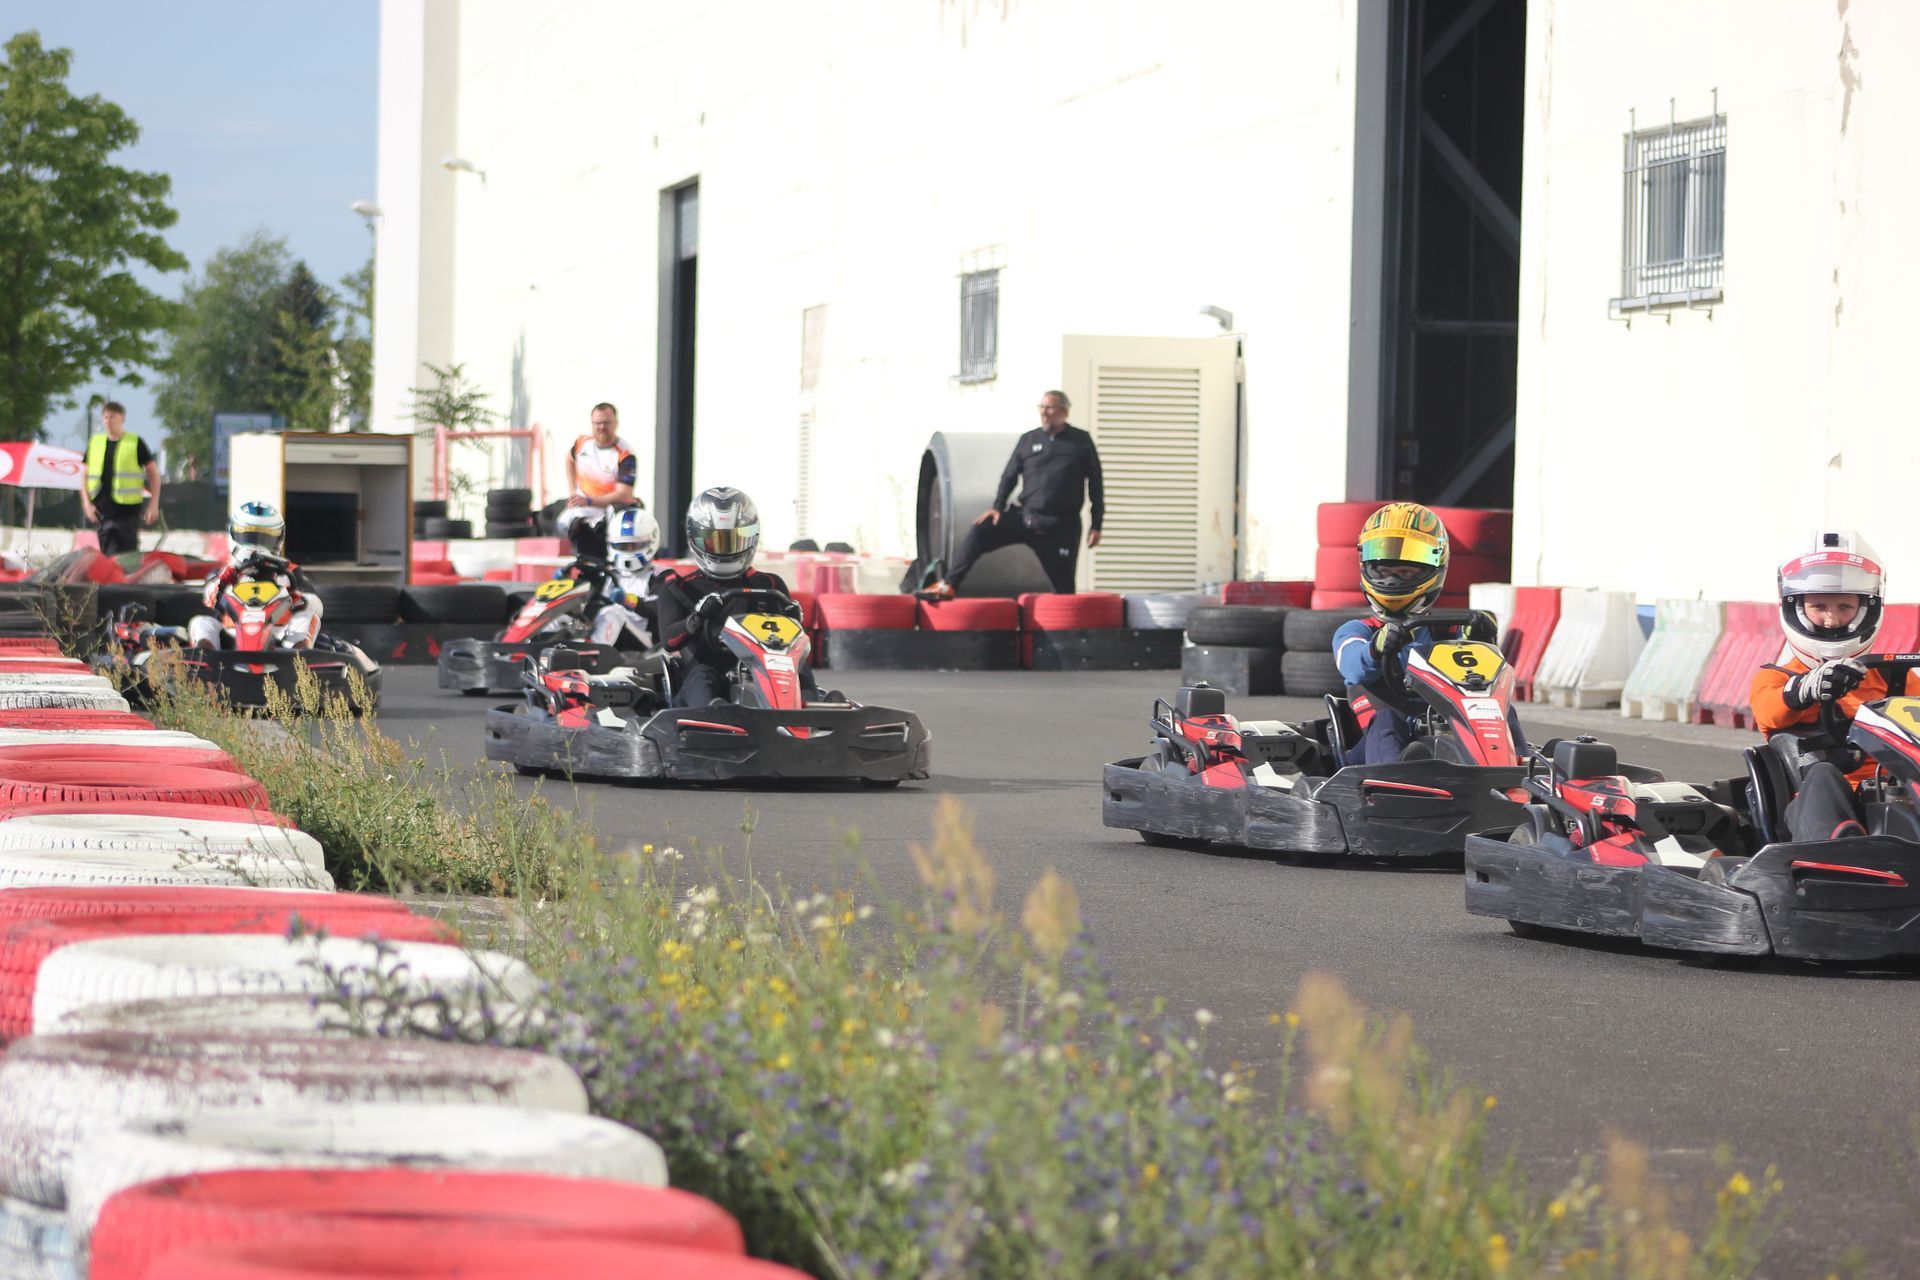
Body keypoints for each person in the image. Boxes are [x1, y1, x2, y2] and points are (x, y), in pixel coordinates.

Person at [1749, 531, 1920, 842]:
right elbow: (1770, 712)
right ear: (1797, 609)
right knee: (1823, 773)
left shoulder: (1896, 678)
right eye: (1819, 606)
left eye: (1844, 607)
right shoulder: (1776, 678)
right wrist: (1806, 688)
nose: (1832, 620)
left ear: (1865, 609)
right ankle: (1840, 845)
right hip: (1809, 807)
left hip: (1894, 798)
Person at [1331, 502, 1500, 765]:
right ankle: (1394, 777)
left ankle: (1521, 770)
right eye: (1384, 570)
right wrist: (1377, 647)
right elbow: (1354, 667)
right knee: (1388, 720)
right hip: (1368, 754)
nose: (1392, 580)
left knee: (1494, 711)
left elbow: (1483, 678)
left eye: (1405, 571)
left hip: (1446, 736)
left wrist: (1482, 640)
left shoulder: (1449, 632)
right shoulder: (1358, 631)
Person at [925, 390, 1103, 597]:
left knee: (1064, 590)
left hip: (1061, 526)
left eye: (1050, 408)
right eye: (1041, 408)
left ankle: (1063, 614)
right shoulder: (1029, 439)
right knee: (981, 530)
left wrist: (1096, 524)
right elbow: (1009, 475)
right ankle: (949, 584)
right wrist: (997, 506)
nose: (1044, 413)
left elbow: (1096, 483)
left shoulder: (1080, 441)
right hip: (1027, 517)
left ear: (1064, 412)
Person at [654, 486, 820, 707]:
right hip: (706, 669)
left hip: (761, 669)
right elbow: (669, 641)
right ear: (696, 538)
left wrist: (793, 621)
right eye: (715, 541)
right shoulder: (679, 588)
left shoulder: (769, 585)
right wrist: (698, 616)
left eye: (734, 540)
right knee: (703, 677)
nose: (725, 549)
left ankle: (812, 709)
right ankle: (713, 714)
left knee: (797, 666)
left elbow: (787, 641)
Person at [187, 501, 324, 650]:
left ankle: (300, 655)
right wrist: (228, 576)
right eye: (249, 536)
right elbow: (208, 598)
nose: (256, 546)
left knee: (306, 618)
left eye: (265, 538)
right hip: (232, 633)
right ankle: (204, 655)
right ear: (233, 535)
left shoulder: (290, 571)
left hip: (278, 633)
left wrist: (296, 598)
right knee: (201, 622)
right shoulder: (224, 572)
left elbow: (315, 603)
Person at [555, 402, 639, 558]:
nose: (601, 427)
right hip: (583, 506)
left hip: (609, 508)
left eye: (606, 423)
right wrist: (572, 490)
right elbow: (569, 459)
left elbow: (624, 495)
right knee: (561, 523)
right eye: (597, 423)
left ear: (616, 424)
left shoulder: (625, 454)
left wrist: (589, 501)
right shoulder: (582, 443)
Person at [81, 401, 161, 557]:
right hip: (102, 511)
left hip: (127, 512)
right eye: (105, 417)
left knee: (127, 557)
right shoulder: (95, 443)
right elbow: (84, 475)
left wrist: (154, 503)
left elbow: (154, 474)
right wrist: (86, 504)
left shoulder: (135, 443)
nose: (108, 421)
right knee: (108, 556)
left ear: (122, 418)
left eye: (112, 417)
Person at [587, 505, 663, 649]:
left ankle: (591, 656)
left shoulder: (658, 576)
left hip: (644, 645)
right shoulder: (607, 574)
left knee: (613, 613)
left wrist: (628, 600)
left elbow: (659, 607)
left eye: (634, 545)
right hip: (609, 636)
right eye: (622, 546)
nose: (628, 550)